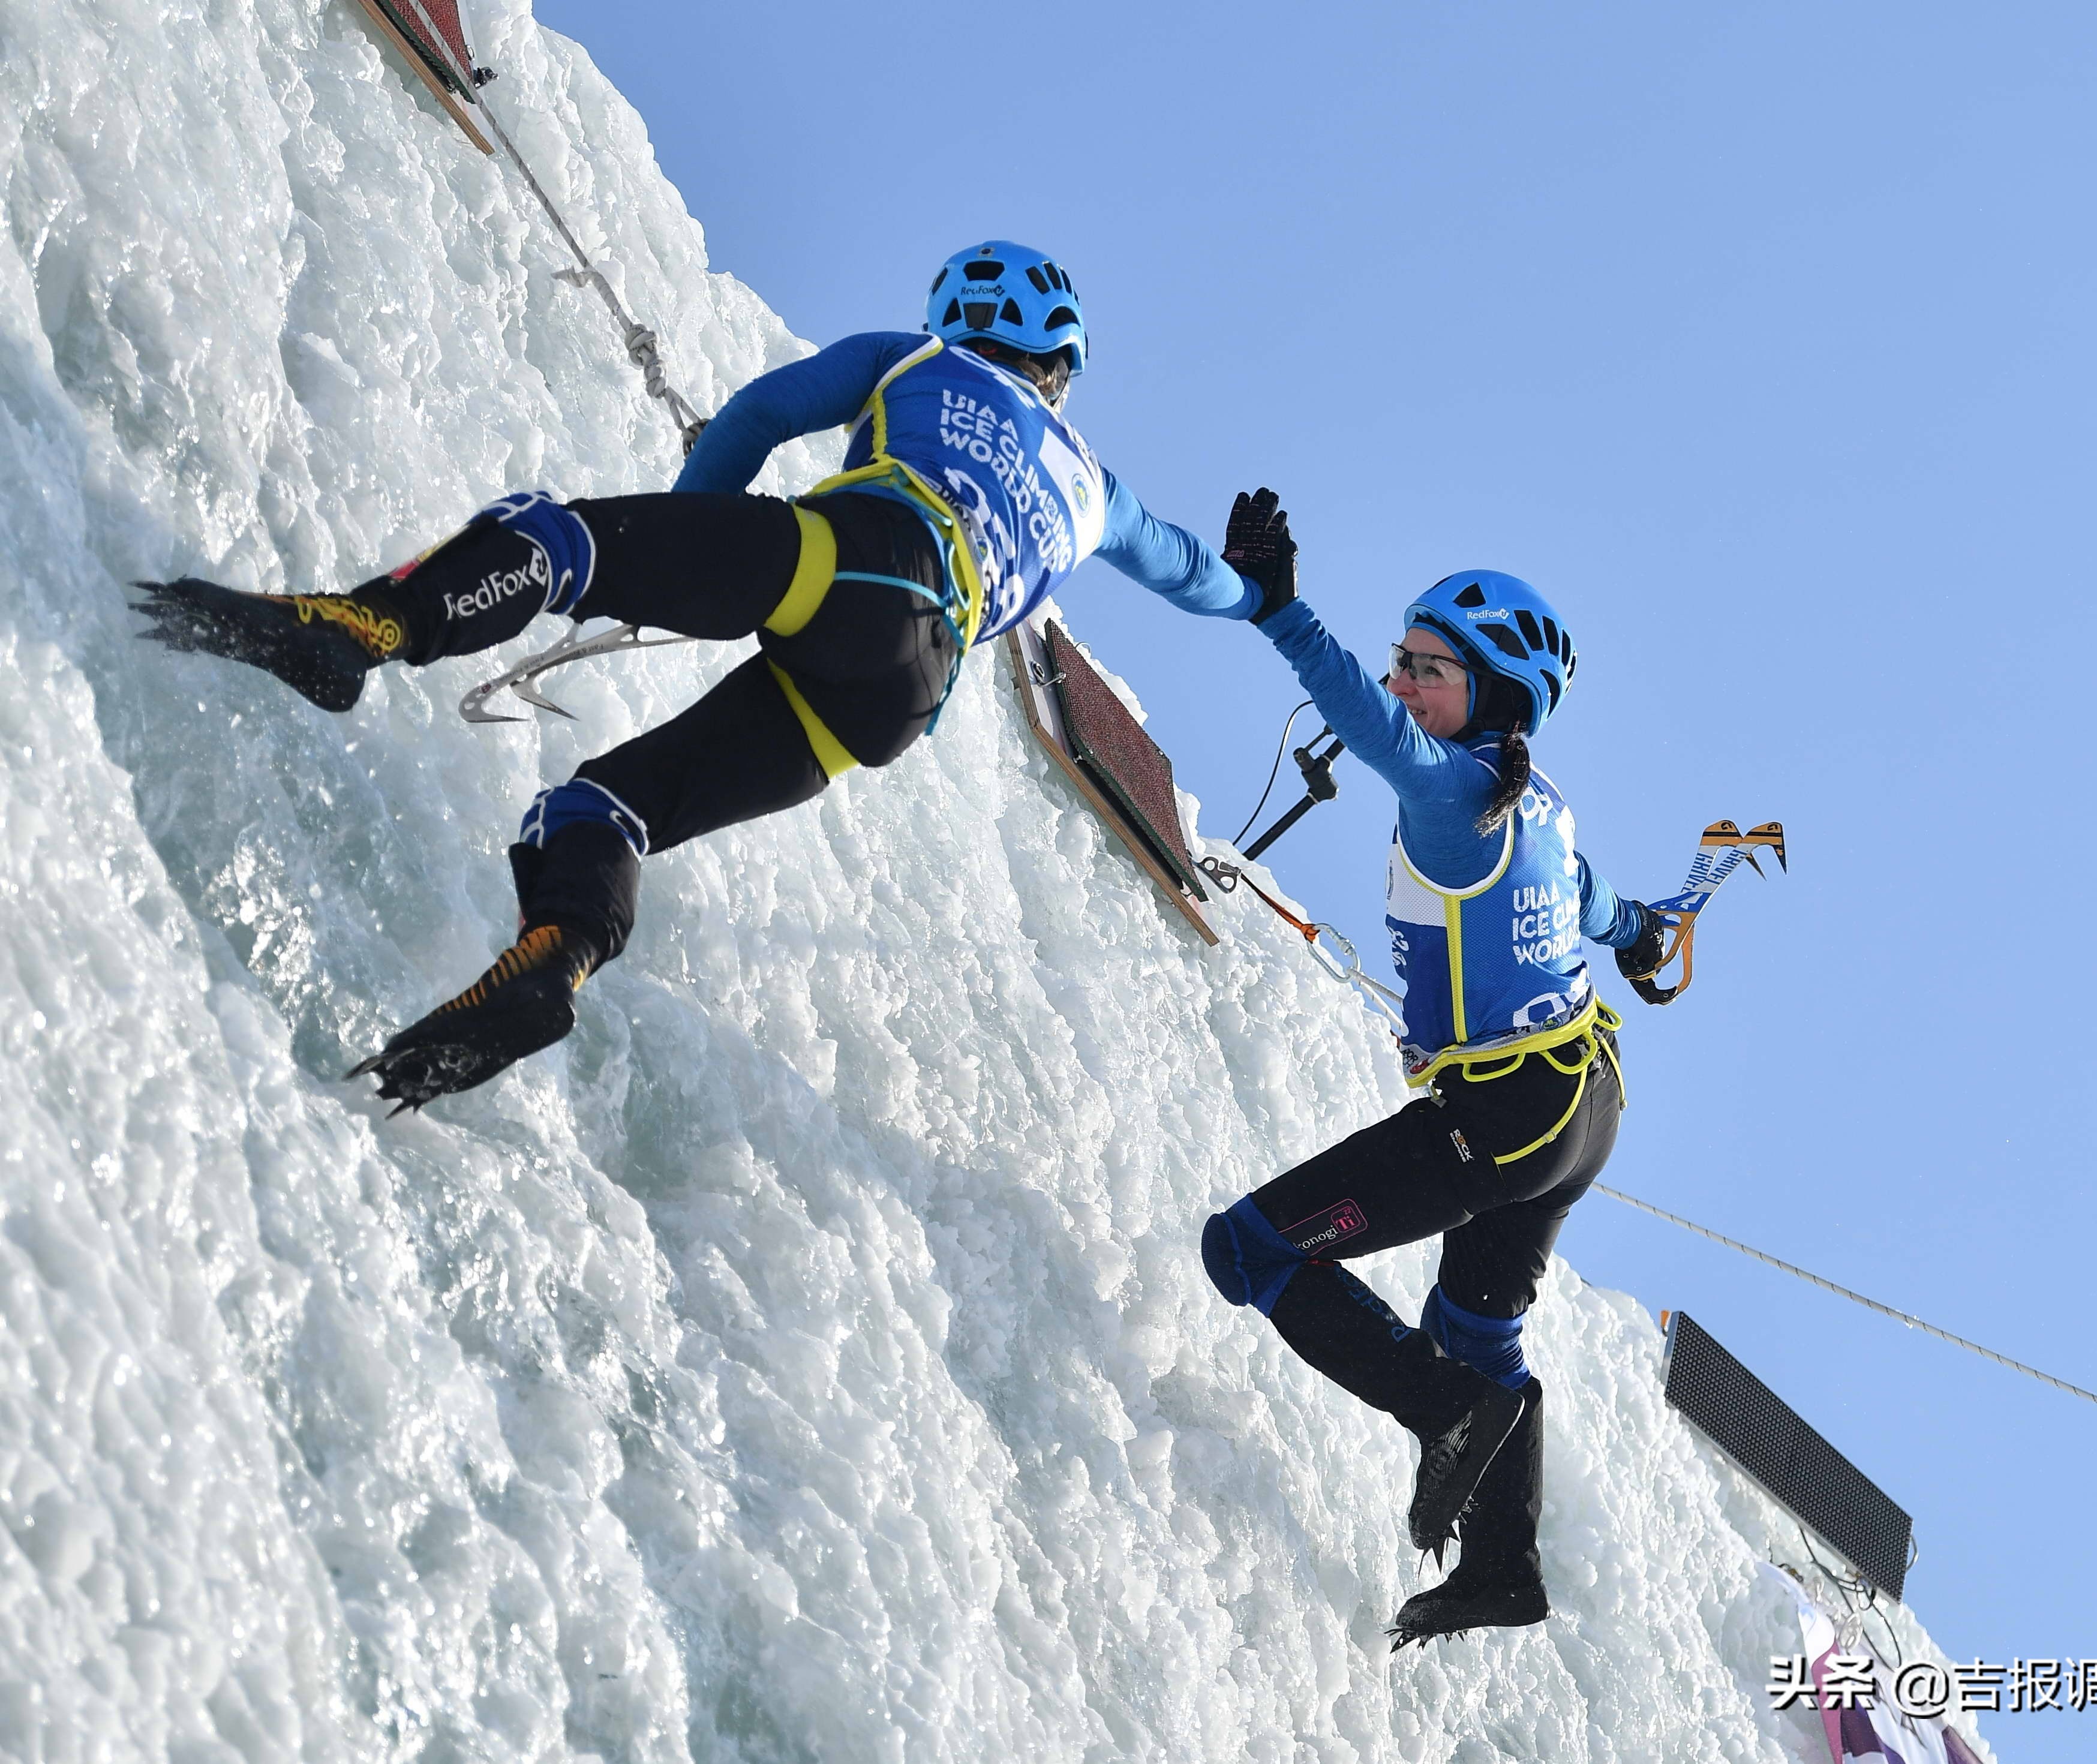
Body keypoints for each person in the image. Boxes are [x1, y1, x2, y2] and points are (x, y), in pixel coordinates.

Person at [133, 242, 1266, 1109]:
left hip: (864, 559)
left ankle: (363, 631)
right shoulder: (1097, 493)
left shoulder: (921, 357)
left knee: (565, 542)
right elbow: (1197, 577)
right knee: (605, 807)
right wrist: (1267, 591)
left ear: (963, 316)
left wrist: (683, 544)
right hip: (896, 704)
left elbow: (763, 413)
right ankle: (557, 959)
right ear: (1060, 359)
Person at [1196, 491, 1673, 1648]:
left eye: (1429, 668)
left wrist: (1279, 609)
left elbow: (1361, 719)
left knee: (1249, 1248)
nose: (1404, 680)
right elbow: (1607, 905)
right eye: (1403, 658)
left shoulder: (1456, 788)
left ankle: (1444, 1415)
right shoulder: (1536, 806)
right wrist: (1645, 935)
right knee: (1477, 1325)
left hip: (1508, 1112)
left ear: (1492, 697)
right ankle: (1504, 1568)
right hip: (1582, 1107)